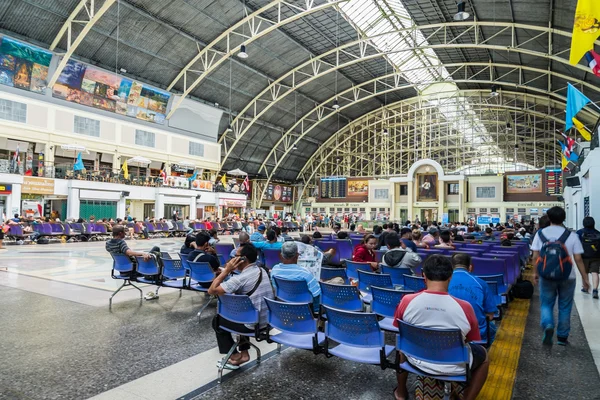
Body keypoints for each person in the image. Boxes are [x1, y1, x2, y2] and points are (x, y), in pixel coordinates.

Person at [393, 255, 488, 400]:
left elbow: (401, 329)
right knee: (484, 356)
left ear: (423, 275)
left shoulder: (407, 301)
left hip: (416, 359)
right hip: (454, 364)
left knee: (401, 346)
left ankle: (401, 392)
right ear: (450, 276)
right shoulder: (465, 307)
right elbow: (469, 339)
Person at [531, 206, 590, 345]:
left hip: (546, 275)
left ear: (549, 218)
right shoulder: (572, 236)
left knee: (546, 304)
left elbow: (535, 256)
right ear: (564, 218)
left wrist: (535, 272)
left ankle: (548, 324)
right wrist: (585, 278)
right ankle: (562, 337)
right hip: (568, 276)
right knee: (565, 306)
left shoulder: (540, 234)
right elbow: (578, 259)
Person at [209, 243, 274, 367]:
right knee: (243, 312)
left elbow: (212, 290)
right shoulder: (262, 270)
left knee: (217, 321)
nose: (233, 258)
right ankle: (244, 354)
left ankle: (235, 355)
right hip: (268, 321)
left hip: (253, 324)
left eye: (236, 256)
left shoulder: (240, 278)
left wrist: (226, 271)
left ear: (243, 259)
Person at [449, 253, 498, 345]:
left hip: (447, 333)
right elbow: (490, 315)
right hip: (477, 334)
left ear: (451, 267)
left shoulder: (443, 282)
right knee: (492, 328)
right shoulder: (481, 283)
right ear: (470, 267)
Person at [271, 242, 321, 310]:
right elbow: (316, 294)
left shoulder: (275, 270)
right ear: (297, 255)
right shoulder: (305, 273)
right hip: (304, 308)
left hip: (284, 305)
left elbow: (275, 288)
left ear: (281, 255)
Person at [577, 216, 600, 299]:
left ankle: (585, 287)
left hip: (583, 256)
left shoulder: (579, 233)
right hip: (596, 256)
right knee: (595, 272)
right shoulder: (598, 233)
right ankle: (595, 290)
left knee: (584, 272)